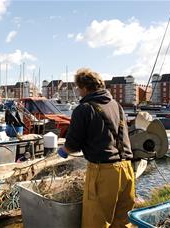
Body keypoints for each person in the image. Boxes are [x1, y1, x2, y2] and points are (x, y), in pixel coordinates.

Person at [57, 68, 135, 228]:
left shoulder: (84, 109)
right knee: (122, 222)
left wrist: (63, 151)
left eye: (79, 88)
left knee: (96, 221)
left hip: (104, 172)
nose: (78, 92)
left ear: (84, 88)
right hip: (127, 169)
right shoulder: (117, 106)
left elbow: (72, 145)